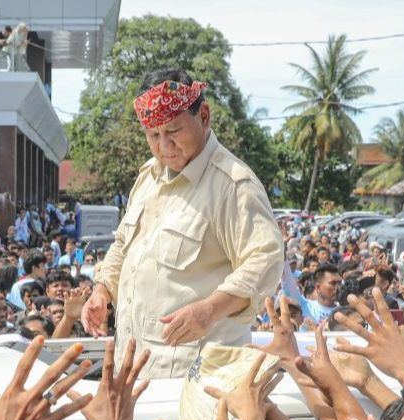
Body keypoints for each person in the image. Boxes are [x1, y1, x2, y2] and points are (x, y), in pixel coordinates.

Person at [81, 68, 283, 377]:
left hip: (197, 380)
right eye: (153, 135)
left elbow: (265, 261)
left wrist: (209, 310)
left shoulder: (233, 184)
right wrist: (102, 291)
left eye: (174, 131)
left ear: (203, 116)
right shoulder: (148, 177)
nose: (164, 146)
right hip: (134, 370)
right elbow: (123, 244)